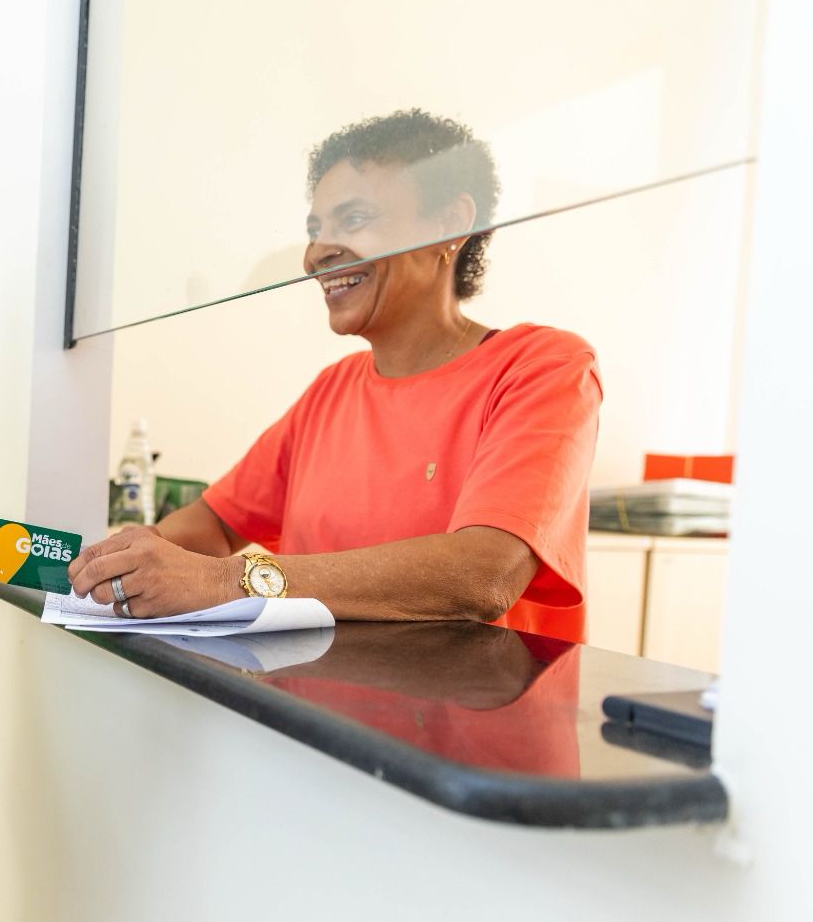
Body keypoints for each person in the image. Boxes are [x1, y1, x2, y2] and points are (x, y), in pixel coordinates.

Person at [70, 109, 602, 644]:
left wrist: (225, 581)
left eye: (354, 220)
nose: (315, 254)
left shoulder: (543, 367)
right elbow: (212, 525)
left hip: (472, 700)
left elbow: (483, 574)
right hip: (307, 694)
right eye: (315, 230)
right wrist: (130, 562)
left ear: (449, 225)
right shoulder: (332, 390)